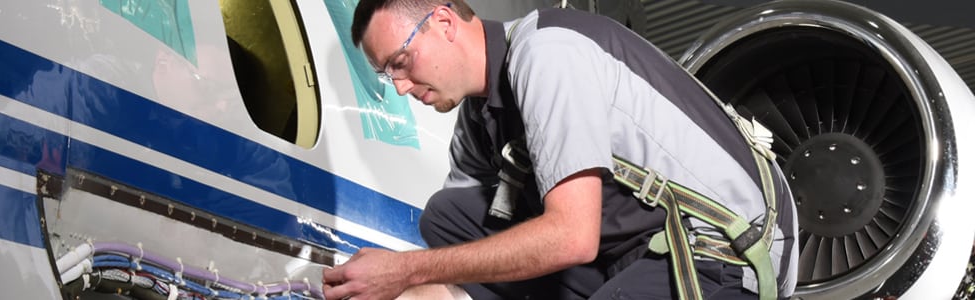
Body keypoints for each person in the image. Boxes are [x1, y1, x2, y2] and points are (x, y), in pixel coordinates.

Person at [321, 0, 800, 299]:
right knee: (445, 216)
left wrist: (403, 271)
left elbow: (572, 237)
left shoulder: (548, 52)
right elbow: (459, 246)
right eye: (388, 75)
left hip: (720, 258)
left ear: (443, 22)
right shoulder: (477, 118)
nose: (400, 87)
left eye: (401, 63)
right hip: (629, 253)